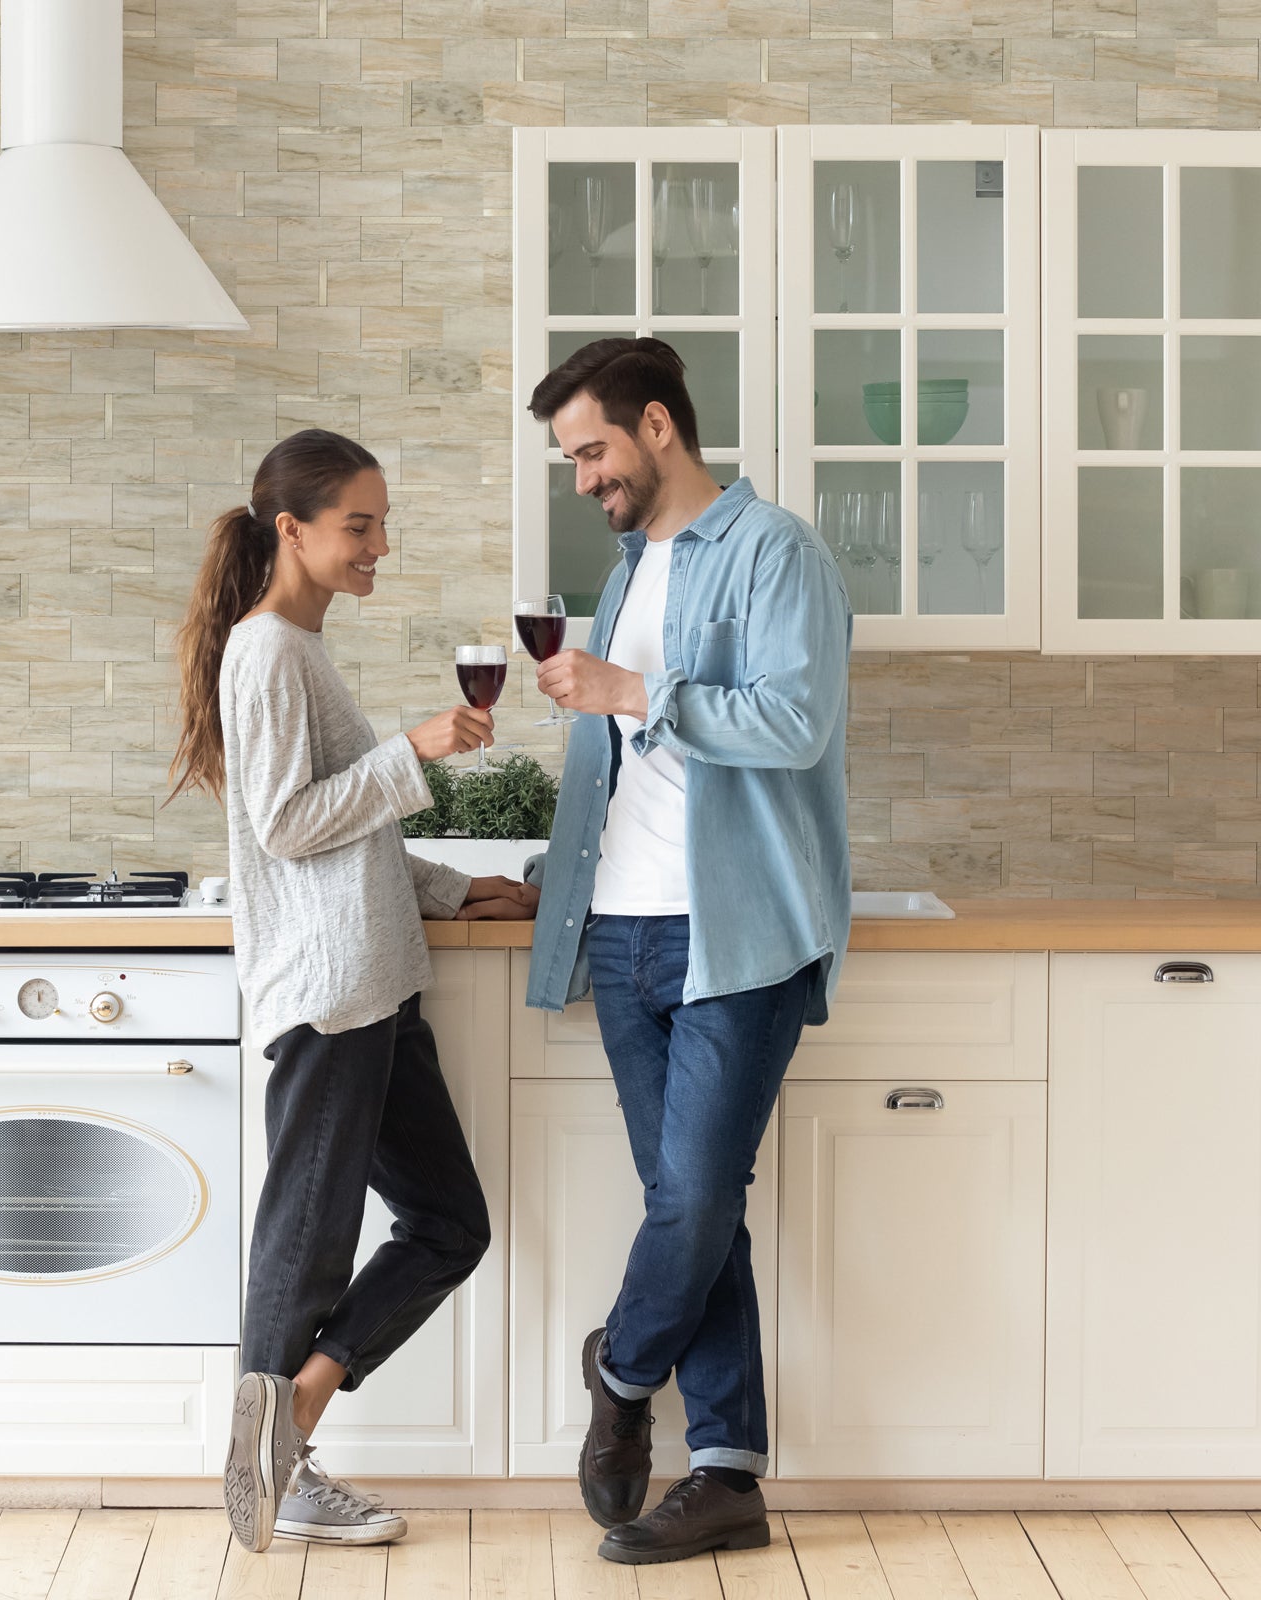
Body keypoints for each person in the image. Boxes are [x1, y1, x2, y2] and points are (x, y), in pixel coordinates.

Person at [490, 337, 851, 1564]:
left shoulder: (774, 550)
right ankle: (728, 1474)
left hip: (732, 929)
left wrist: (634, 692)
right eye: (569, 460)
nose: (583, 478)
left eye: (592, 450)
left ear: (657, 426)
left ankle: (622, 1369)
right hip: (621, 927)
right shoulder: (626, 572)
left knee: (694, 1195)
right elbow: (621, 764)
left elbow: (795, 723)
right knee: (697, 1212)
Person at [170, 428, 531, 1553]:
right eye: (358, 525)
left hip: (376, 984)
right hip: (330, 993)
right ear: (293, 529)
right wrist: (414, 751)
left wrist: (453, 886)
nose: (379, 545)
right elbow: (286, 825)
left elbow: (344, 837)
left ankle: (292, 1418)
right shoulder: (268, 651)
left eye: (381, 524)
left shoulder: (299, 649)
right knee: (308, 1238)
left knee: (449, 1224)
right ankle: (277, 1460)